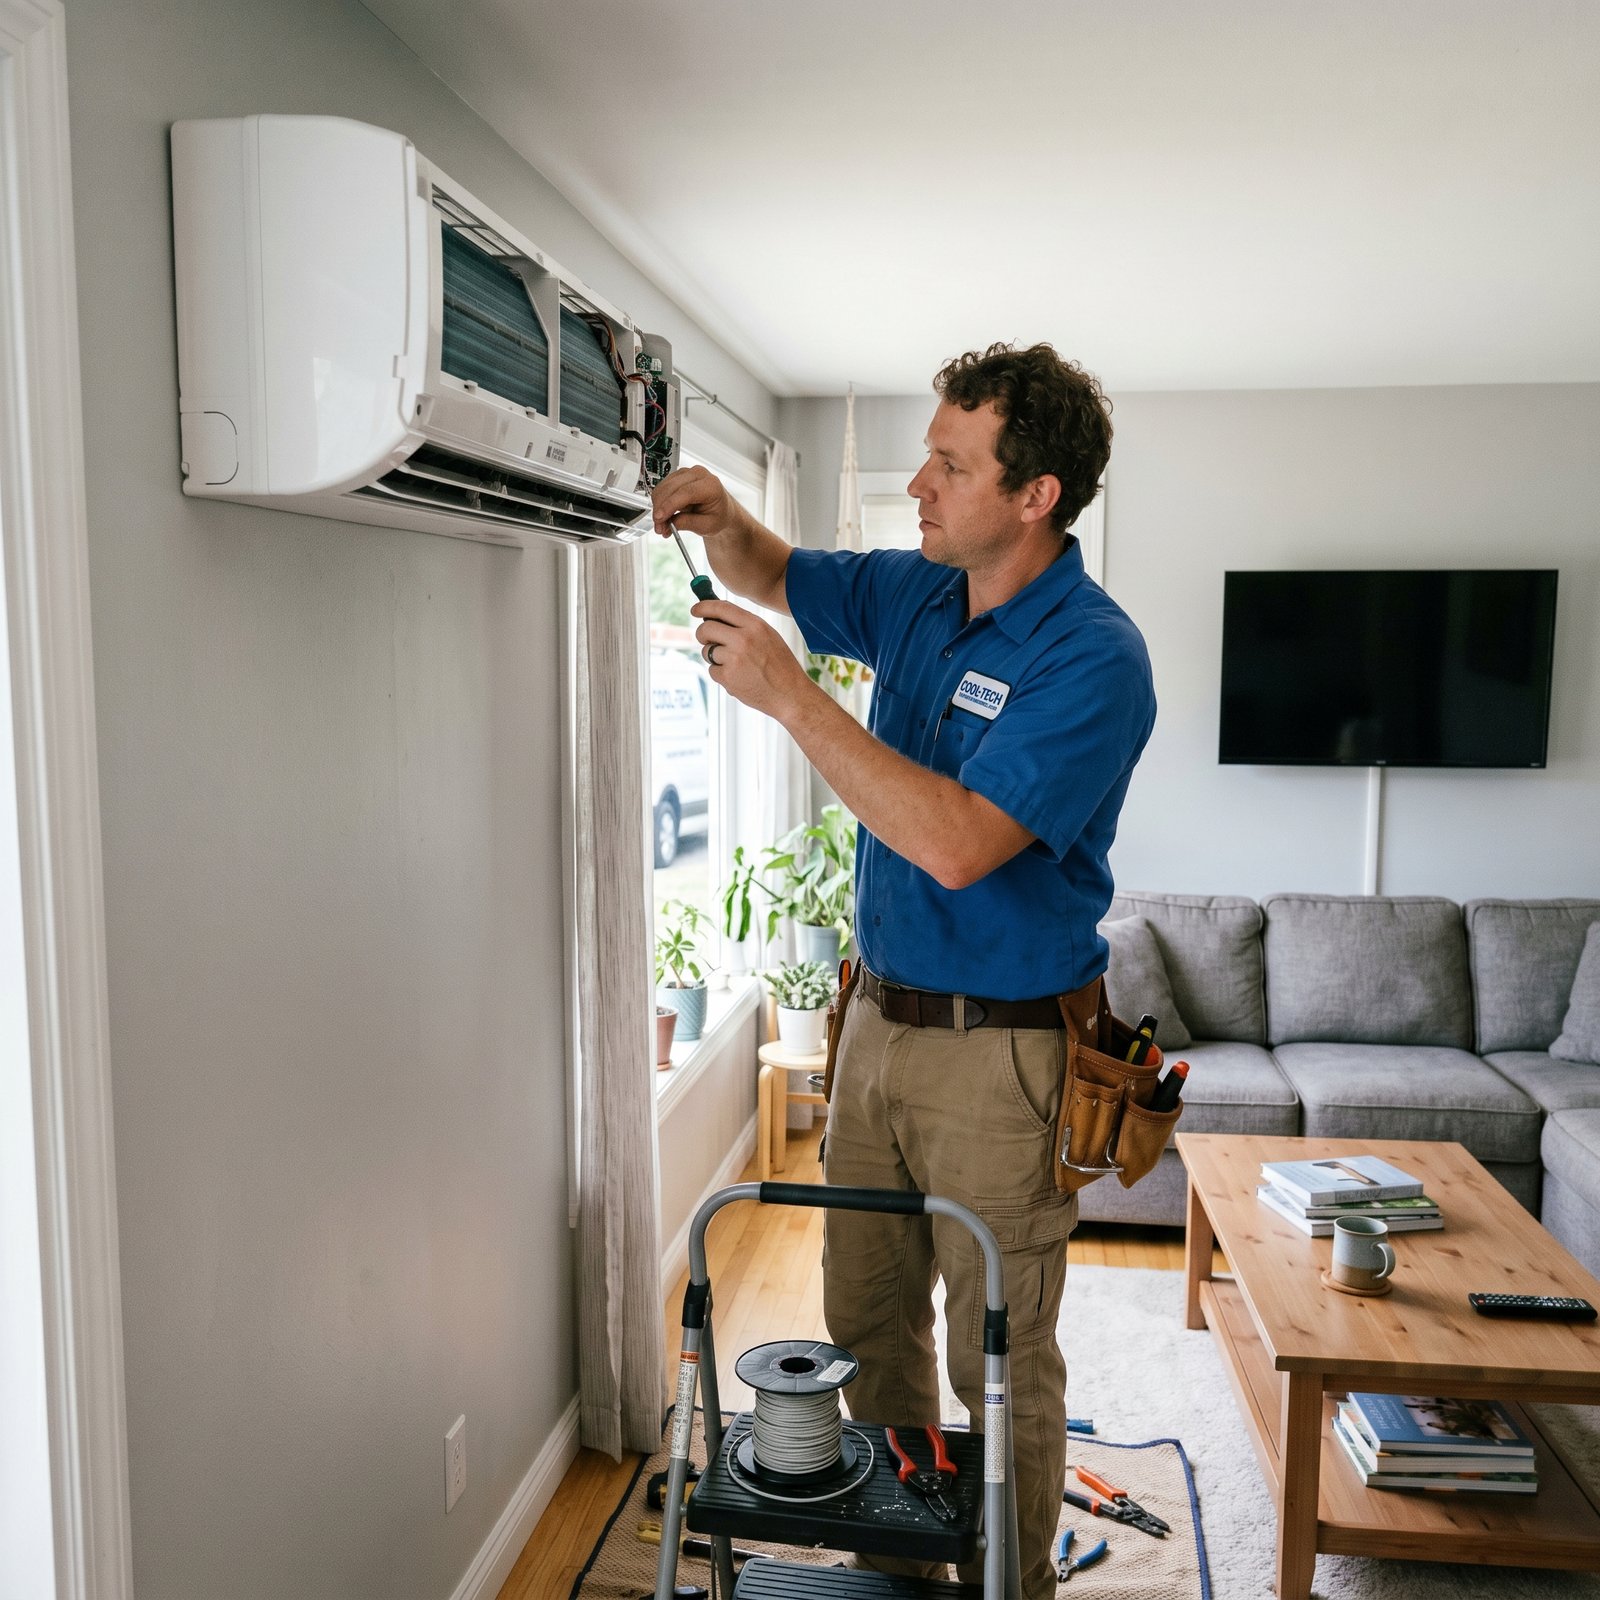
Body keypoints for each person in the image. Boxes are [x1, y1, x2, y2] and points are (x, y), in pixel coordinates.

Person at [651, 342, 1155, 1599]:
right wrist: (723, 519)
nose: (918, 484)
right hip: (873, 1028)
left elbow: (957, 843)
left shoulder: (1094, 656)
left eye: (948, 463)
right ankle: (900, 1575)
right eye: (926, 455)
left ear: (1034, 495)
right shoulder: (921, 590)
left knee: (1001, 1357)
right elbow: (772, 570)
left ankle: (1009, 1585)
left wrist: (792, 700)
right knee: (869, 1326)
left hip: (1006, 1057)